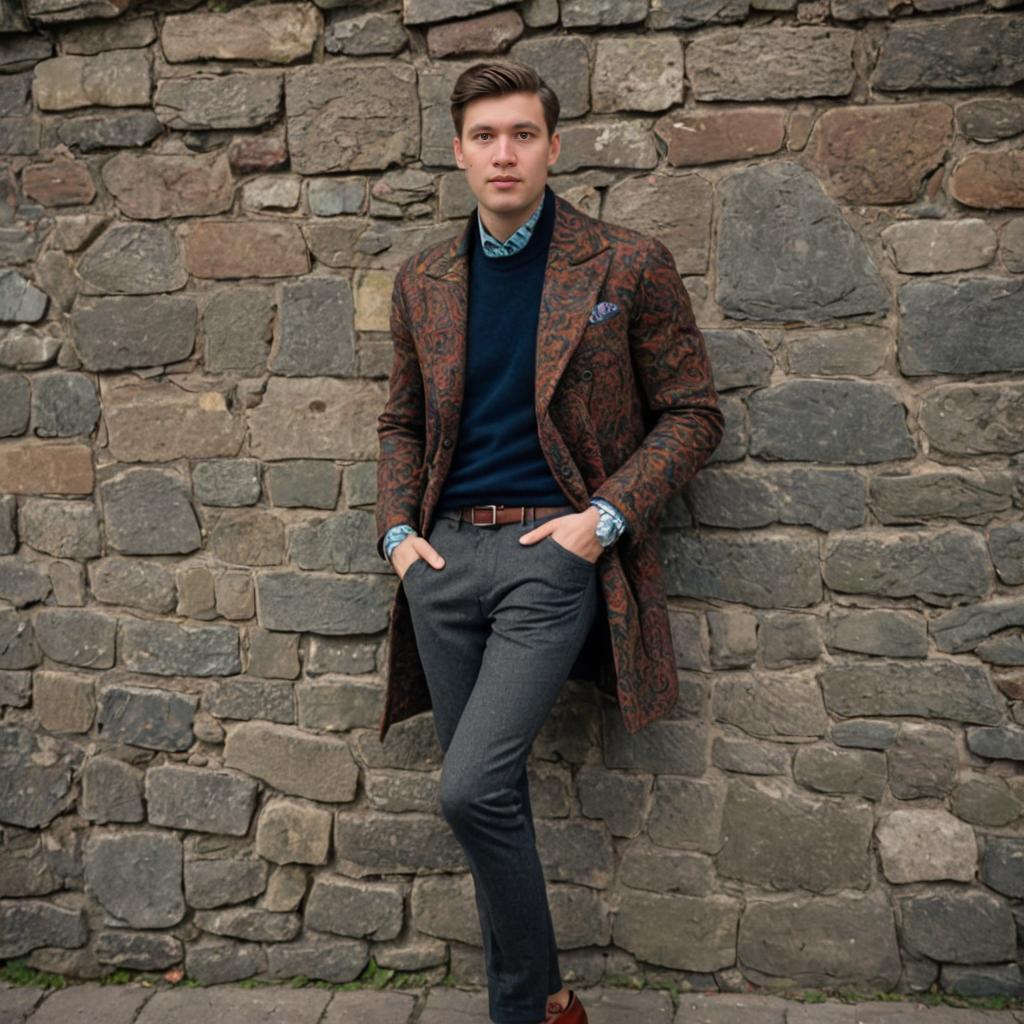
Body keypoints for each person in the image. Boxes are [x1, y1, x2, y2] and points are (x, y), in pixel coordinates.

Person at [374, 60, 724, 1024]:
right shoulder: (425, 279)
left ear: (553, 146)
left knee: (467, 790)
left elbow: (693, 414)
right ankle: (534, 1009)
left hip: (550, 559)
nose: (503, 153)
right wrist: (399, 536)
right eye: (484, 136)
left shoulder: (626, 263)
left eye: (522, 134)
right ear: (457, 152)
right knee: (493, 803)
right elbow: (400, 422)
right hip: (441, 566)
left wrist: (599, 522)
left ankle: (537, 1005)